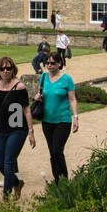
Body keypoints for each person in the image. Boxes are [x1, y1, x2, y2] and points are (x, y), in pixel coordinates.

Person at [0, 57, 35, 200]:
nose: (5, 71)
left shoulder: (19, 87)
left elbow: (26, 110)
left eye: (8, 68)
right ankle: (17, 182)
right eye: (2, 69)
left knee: (9, 161)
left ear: (13, 69)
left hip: (17, 129)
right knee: (0, 164)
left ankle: (6, 195)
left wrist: (31, 131)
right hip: (2, 129)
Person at [33, 53, 78, 181]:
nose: (49, 65)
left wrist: (76, 117)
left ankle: (64, 179)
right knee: (52, 153)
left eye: (52, 63)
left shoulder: (67, 79)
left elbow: (72, 99)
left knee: (58, 150)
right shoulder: (43, 77)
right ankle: (58, 181)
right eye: (47, 63)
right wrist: (37, 97)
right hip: (47, 120)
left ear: (59, 63)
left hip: (62, 120)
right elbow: (41, 92)